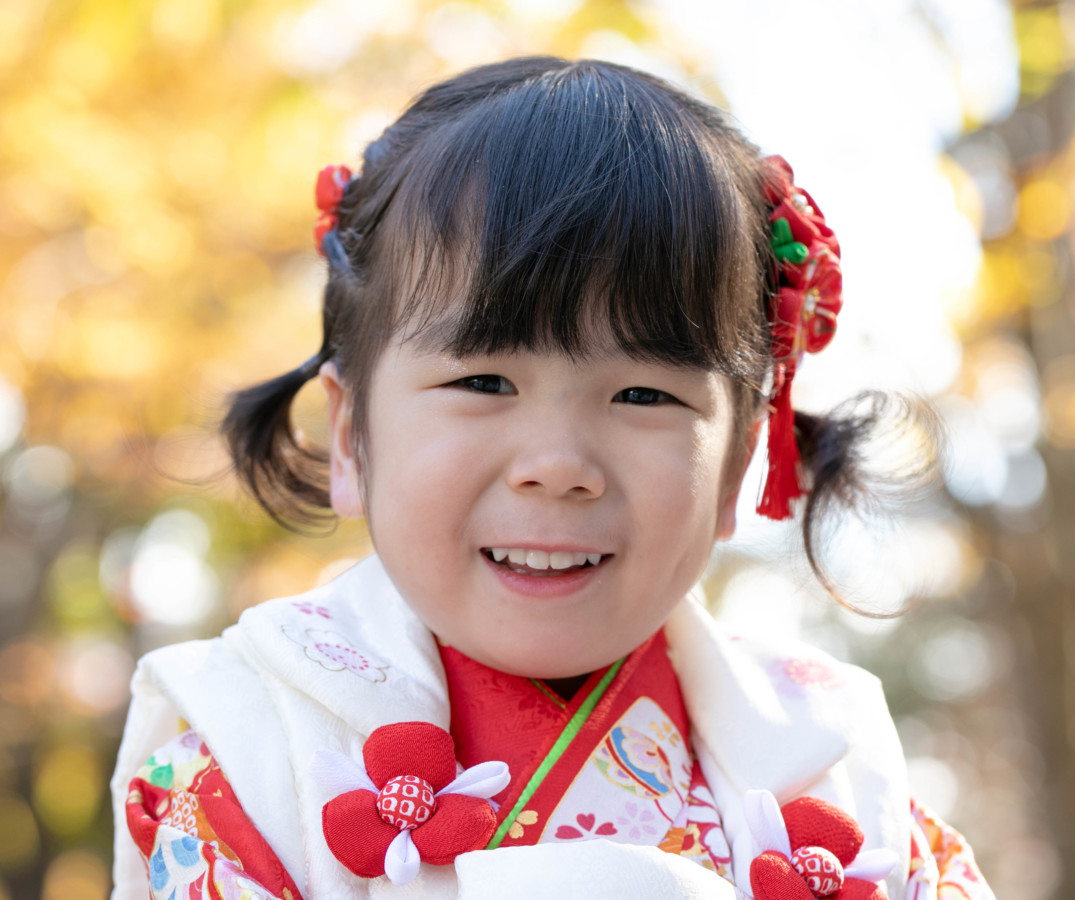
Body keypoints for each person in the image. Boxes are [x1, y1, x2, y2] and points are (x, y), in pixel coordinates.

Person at [110, 57, 993, 900]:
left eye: (644, 393)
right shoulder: (244, 751)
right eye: (484, 382)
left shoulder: (841, 782)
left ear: (736, 466)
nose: (559, 467)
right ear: (352, 437)